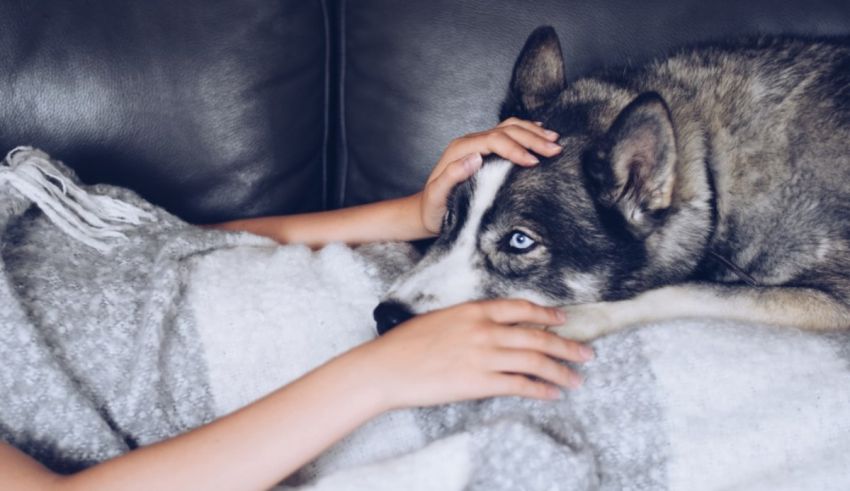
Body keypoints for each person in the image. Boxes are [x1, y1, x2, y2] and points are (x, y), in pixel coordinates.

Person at [0, 118, 594, 490]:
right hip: (303, 396)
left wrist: (415, 214)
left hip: (378, 293)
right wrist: (382, 374)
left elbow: (169, 246)